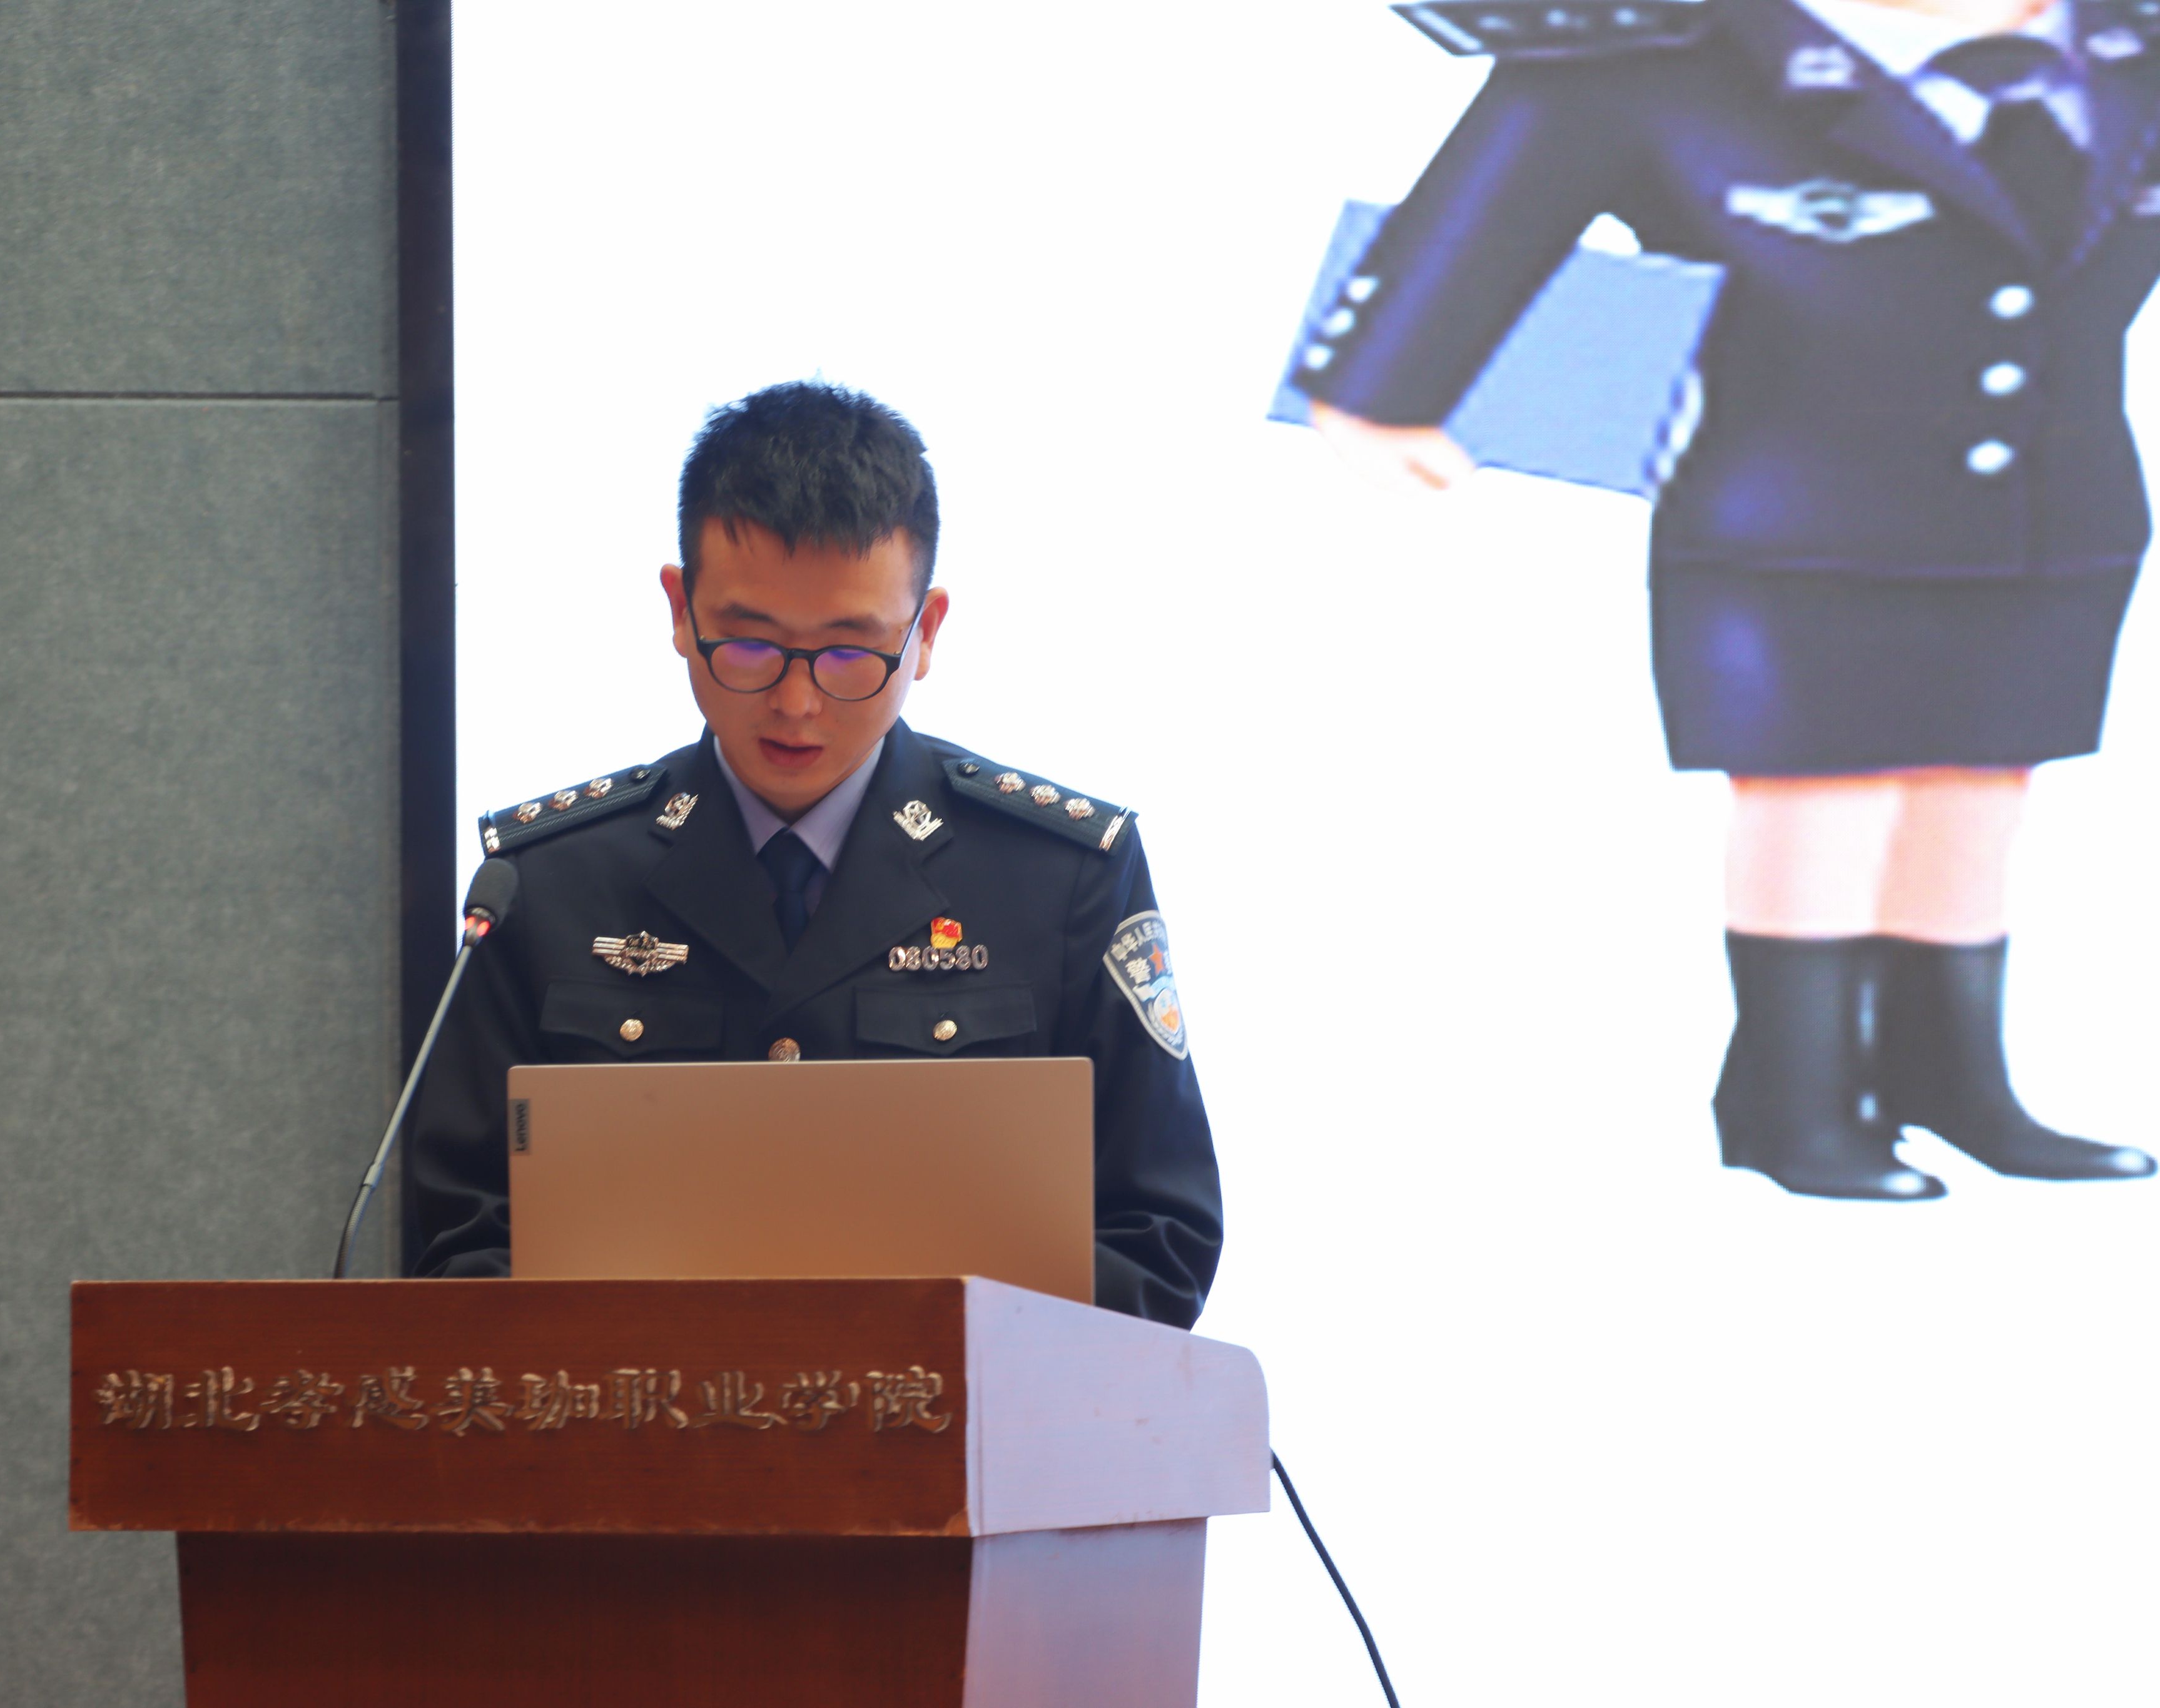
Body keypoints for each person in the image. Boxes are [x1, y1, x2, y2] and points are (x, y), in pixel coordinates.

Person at [1297, 0, 2159, 1197]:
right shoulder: (1666, 58)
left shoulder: (2131, 59)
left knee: (1978, 792)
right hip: (1798, 511)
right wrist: (1381, 390)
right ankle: (1792, 1100)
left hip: (2057, 513)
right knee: (1827, 791)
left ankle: (1953, 1082)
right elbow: (1496, 203)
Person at [405, 381, 1223, 1326]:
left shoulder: (1064, 877)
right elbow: (460, 1245)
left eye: (848, 655)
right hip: (638, 1413)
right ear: (681, 609)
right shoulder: (542, 885)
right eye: (750, 646)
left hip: (958, 1415)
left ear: (925, 633)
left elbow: (1158, 1240)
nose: (795, 704)